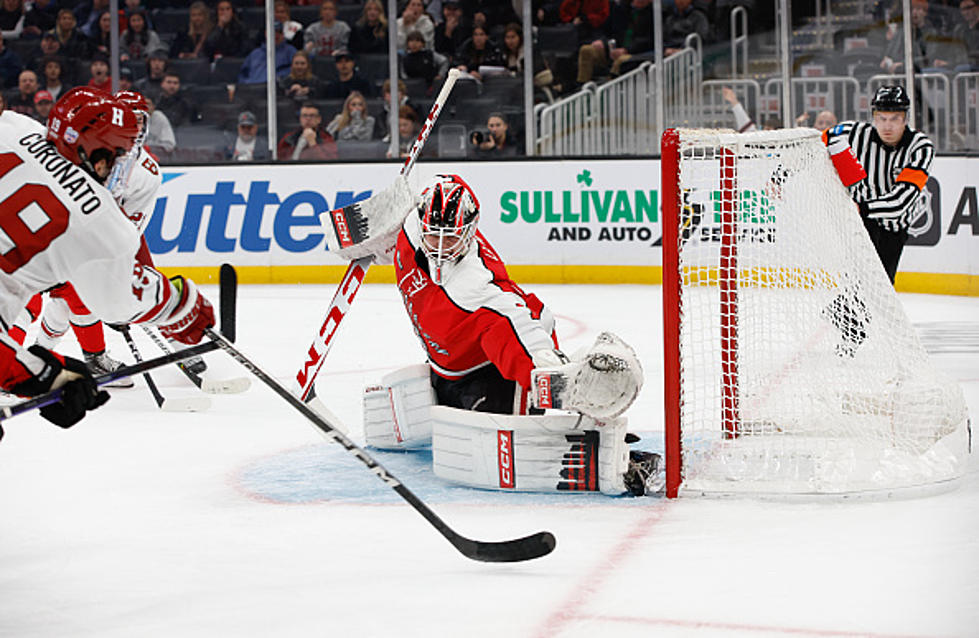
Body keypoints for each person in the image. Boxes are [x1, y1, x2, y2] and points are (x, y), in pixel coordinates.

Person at [357, 174, 652, 494]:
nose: (440, 249)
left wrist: (564, 384)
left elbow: (524, 330)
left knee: (499, 443)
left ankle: (610, 450)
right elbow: (406, 213)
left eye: (451, 240)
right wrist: (358, 238)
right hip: (450, 366)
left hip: (492, 371)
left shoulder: (478, 288)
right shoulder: (412, 225)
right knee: (416, 427)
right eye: (434, 238)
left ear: (469, 234)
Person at [0, 89, 215, 439]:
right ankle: (90, 353)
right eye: (118, 155)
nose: (119, 165)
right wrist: (181, 302)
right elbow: (118, 304)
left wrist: (45, 376)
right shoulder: (100, 221)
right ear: (98, 154)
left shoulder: (13, 126)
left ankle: (84, 351)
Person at [823, 85, 933, 287]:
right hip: (863, 224)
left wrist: (862, 207)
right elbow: (813, 144)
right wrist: (781, 174)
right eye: (881, 118)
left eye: (894, 119)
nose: (887, 126)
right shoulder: (854, 133)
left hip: (894, 228)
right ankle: (839, 316)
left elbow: (901, 202)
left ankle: (843, 315)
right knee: (855, 286)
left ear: (905, 119)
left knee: (879, 289)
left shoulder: (920, 147)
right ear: (874, 117)